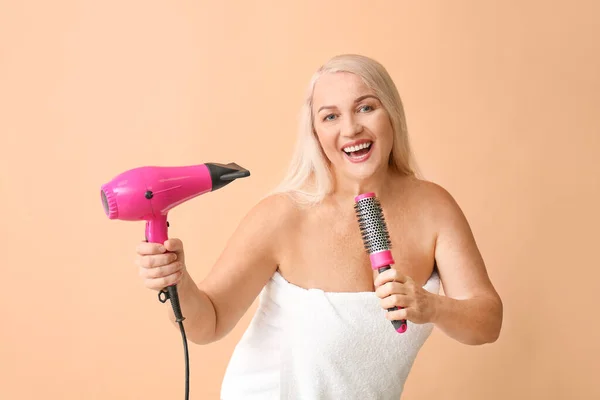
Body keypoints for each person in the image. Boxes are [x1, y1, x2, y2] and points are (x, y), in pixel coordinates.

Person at [134, 54, 503, 399]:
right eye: (330, 116)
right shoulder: (283, 215)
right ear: (315, 132)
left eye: (366, 107)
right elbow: (207, 324)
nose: (351, 128)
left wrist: (431, 306)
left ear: (392, 114)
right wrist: (177, 279)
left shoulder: (434, 208)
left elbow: (487, 322)